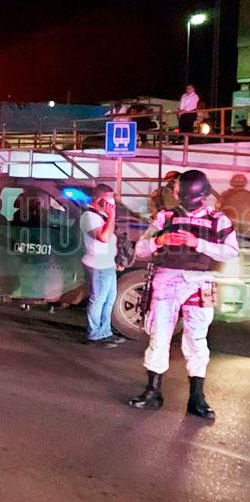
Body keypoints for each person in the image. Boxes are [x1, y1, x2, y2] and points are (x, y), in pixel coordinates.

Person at [129, 170, 239, 420]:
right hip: (166, 281)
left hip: (201, 282)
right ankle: (153, 392)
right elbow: (141, 249)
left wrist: (196, 243)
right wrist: (160, 241)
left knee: (197, 339)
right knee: (159, 335)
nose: (183, 199)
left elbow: (230, 252)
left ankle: (197, 398)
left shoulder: (218, 220)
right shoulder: (165, 217)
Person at [80, 184, 126, 348]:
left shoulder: (102, 215)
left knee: (109, 299)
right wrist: (112, 215)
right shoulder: (89, 216)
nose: (112, 203)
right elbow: (104, 237)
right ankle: (94, 334)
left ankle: (105, 331)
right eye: (108, 199)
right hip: (97, 264)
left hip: (107, 264)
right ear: (98, 199)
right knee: (98, 299)